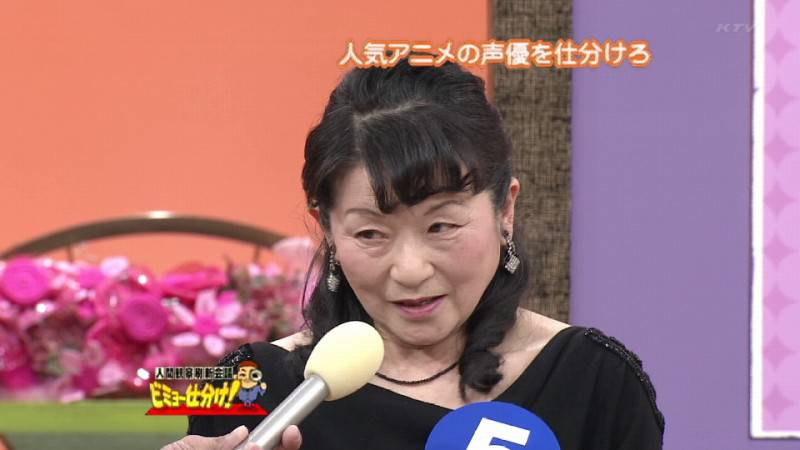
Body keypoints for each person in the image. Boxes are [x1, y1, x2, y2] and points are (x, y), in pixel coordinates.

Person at [162, 54, 665, 450]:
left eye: (441, 226)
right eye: (370, 234)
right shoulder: (243, 382)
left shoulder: (597, 379)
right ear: (328, 228)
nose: (409, 270)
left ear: (505, 209)